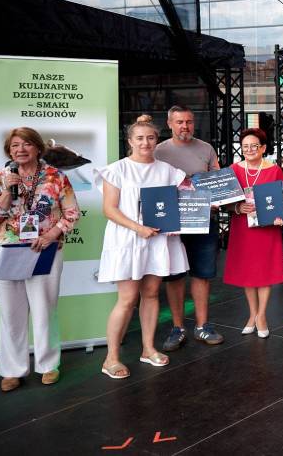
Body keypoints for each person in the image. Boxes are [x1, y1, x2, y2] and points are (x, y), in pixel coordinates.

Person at [96, 117, 189, 379]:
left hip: (157, 240)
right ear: (130, 141)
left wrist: (197, 209)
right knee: (127, 299)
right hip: (127, 240)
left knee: (151, 294)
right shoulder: (116, 170)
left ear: (157, 140)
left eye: (150, 137)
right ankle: (111, 358)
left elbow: (184, 200)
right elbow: (109, 209)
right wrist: (138, 228)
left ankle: (148, 349)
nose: (145, 143)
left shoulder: (167, 170)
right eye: (139, 138)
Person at [0, 128, 79, 392]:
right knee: (11, 314)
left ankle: (48, 365)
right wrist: (7, 193)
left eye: (26, 144)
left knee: (44, 310)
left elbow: (72, 213)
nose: (20, 150)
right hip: (8, 250)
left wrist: (51, 235)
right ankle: (12, 370)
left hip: (45, 250)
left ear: (38, 148)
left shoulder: (56, 177)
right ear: (9, 150)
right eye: (15, 145)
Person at [155, 105, 224, 350]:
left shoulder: (206, 149)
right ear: (169, 124)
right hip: (171, 224)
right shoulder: (158, 151)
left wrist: (217, 200)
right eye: (179, 122)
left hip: (203, 221)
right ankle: (177, 328)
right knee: (174, 275)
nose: (185, 126)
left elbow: (218, 182)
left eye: (189, 121)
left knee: (202, 274)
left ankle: (203, 326)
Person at [223, 129, 283, 338]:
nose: (250, 150)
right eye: (245, 146)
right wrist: (237, 207)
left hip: (266, 230)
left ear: (263, 148)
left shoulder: (274, 170)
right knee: (248, 272)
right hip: (242, 228)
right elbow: (225, 202)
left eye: (254, 146)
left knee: (264, 271)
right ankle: (252, 314)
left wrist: (281, 215)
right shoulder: (233, 170)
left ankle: (262, 316)